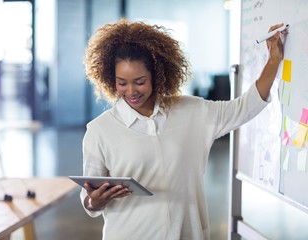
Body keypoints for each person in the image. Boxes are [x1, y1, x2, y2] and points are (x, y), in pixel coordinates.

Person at [80, 18, 288, 240]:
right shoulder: (99, 130)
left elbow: (244, 108)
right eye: (122, 82)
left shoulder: (192, 112)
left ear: (157, 75)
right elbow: (89, 197)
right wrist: (95, 201)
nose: (131, 91)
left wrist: (274, 61)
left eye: (139, 81)